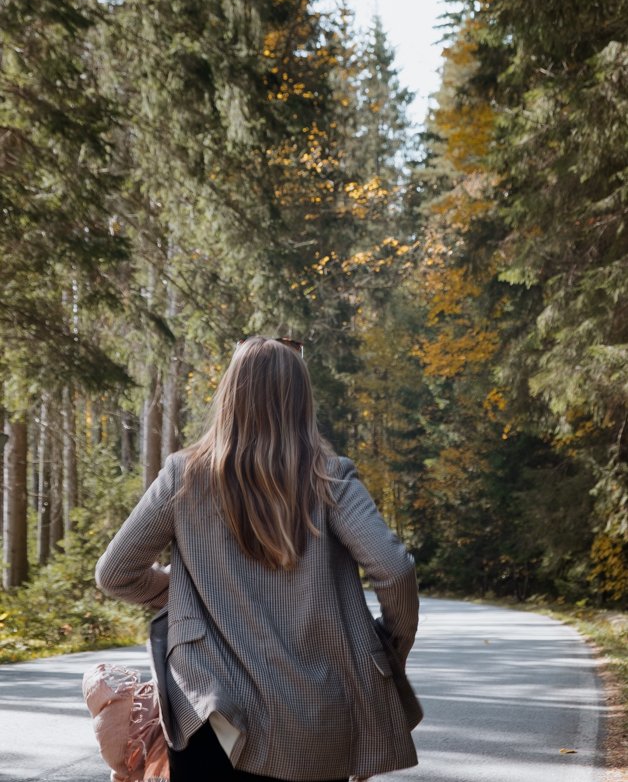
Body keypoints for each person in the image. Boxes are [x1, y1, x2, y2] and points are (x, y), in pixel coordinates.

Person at [96, 335, 420, 782]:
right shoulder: (331, 478)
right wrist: (391, 648)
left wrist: (182, 587)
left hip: (210, 713)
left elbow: (115, 573)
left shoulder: (183, 476)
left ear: (229, 394)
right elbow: (396, 569)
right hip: (316, 717)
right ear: (302, 400)